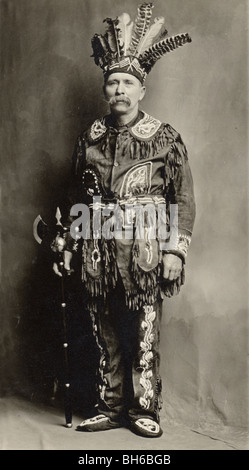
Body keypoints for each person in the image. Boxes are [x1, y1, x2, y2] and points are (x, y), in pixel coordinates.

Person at [51, 2, 196, 438]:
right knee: (103, 330)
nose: (119, 90)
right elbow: (75, 196)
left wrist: (176, 249)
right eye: (112, 82)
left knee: (144, 330)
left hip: (145, 252)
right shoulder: (89, 140)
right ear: (105, 90)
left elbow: (183, 197)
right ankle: (109, 405)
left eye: (127, 83)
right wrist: (69, 245)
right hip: (98, 249)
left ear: (141, 90)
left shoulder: (164, 138)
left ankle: (144, 409)